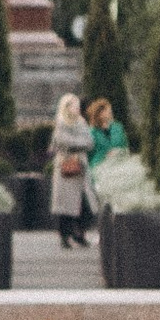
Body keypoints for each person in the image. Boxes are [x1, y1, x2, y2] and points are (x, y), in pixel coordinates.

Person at [48, 87, 94, 250]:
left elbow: (89, 142)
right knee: (65, 206)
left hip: (80, 166)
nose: (77, 108)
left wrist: (75, 143)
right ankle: (65, 236)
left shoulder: (81, 122)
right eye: (73, 105)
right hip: (66, 167)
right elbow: (61, 140)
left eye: (77, 105)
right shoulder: (61, 122)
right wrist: (77, 143)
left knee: (84, 204)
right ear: (66, 107)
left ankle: (80, 234)